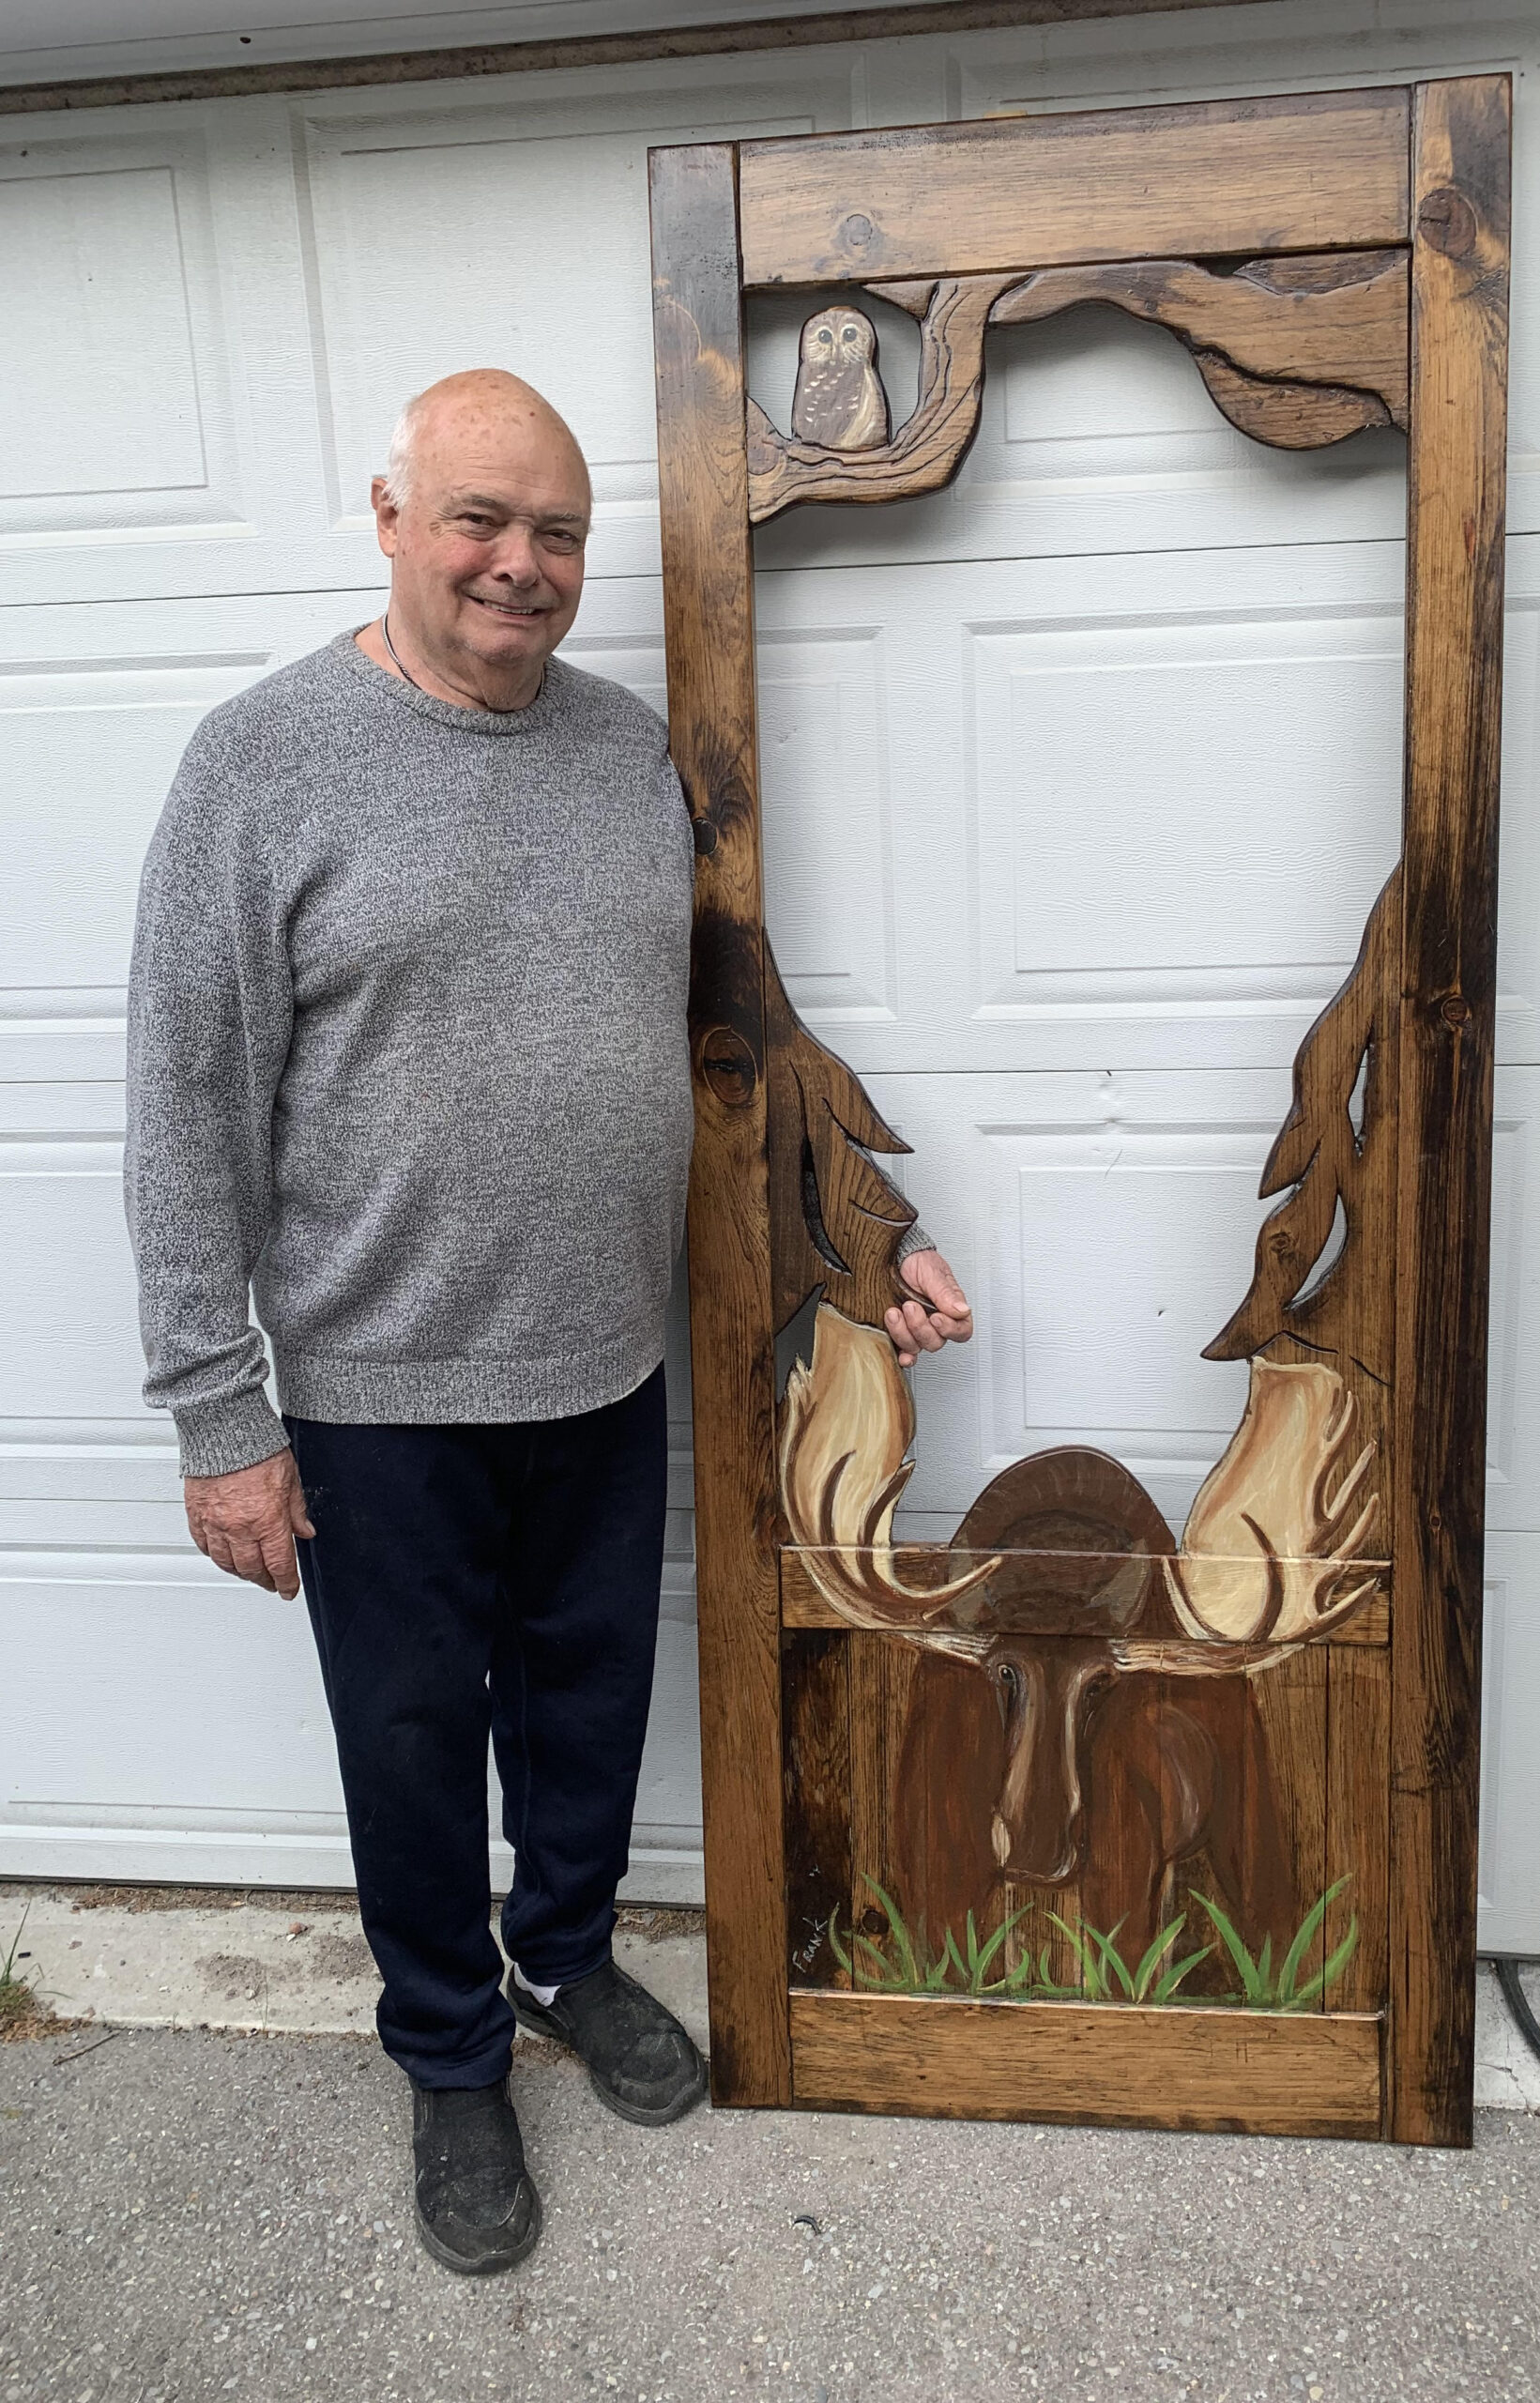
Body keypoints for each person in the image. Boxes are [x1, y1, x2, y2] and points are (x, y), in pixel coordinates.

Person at [123, 369, 973, 2276]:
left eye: (559, 532)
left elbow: (736, 1041)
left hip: (607, 1363)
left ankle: (565, 1953)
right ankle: (448, 2052)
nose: (522, 563)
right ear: (390, 519)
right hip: (378, 1396)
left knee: (588, 1705)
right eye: (480, 520)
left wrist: (870, 1236)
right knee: (414, 1739)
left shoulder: (626, 756)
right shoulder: (258, 767)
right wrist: (218, 1419)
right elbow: (184, 1109)